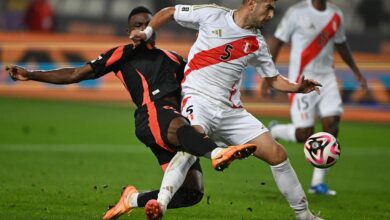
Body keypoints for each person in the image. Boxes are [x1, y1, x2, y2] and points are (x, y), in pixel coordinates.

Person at [6, 6, 257, 220]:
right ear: (129, 32)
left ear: (154, 28)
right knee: (180, 125)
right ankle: (216, 153)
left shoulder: (174, 58)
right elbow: (75, 74)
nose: (142, 29)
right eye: (137, 25)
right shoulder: (122, 54)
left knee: (192, 192)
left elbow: (201, 81)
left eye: (147, 24)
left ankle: (132, 199)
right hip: (153, 116)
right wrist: (31, 75)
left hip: (173, 123)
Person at [130, 1, 324, 219]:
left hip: (232, 111)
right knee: (192, 142)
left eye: (273, 10)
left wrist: (298, 87)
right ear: (251, 4)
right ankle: (161, 205)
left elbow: (274, 79)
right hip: (198, 100)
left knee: (277, 154)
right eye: (267, 7)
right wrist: (147, 32)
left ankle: (304, 215)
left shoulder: (257, 43)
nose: (270, 15)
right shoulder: (212, 14)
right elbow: (170, 12)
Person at [262, 0, 368, 195]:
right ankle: (276, 130)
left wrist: (356, 71)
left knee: (332, 124)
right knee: (305, 134)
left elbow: (341, 44)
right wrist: (267, 75)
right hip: (301, 80)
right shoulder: (297, 12)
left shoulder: (336, 14)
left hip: (327, 78)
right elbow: (278, 41)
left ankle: (317, 183)